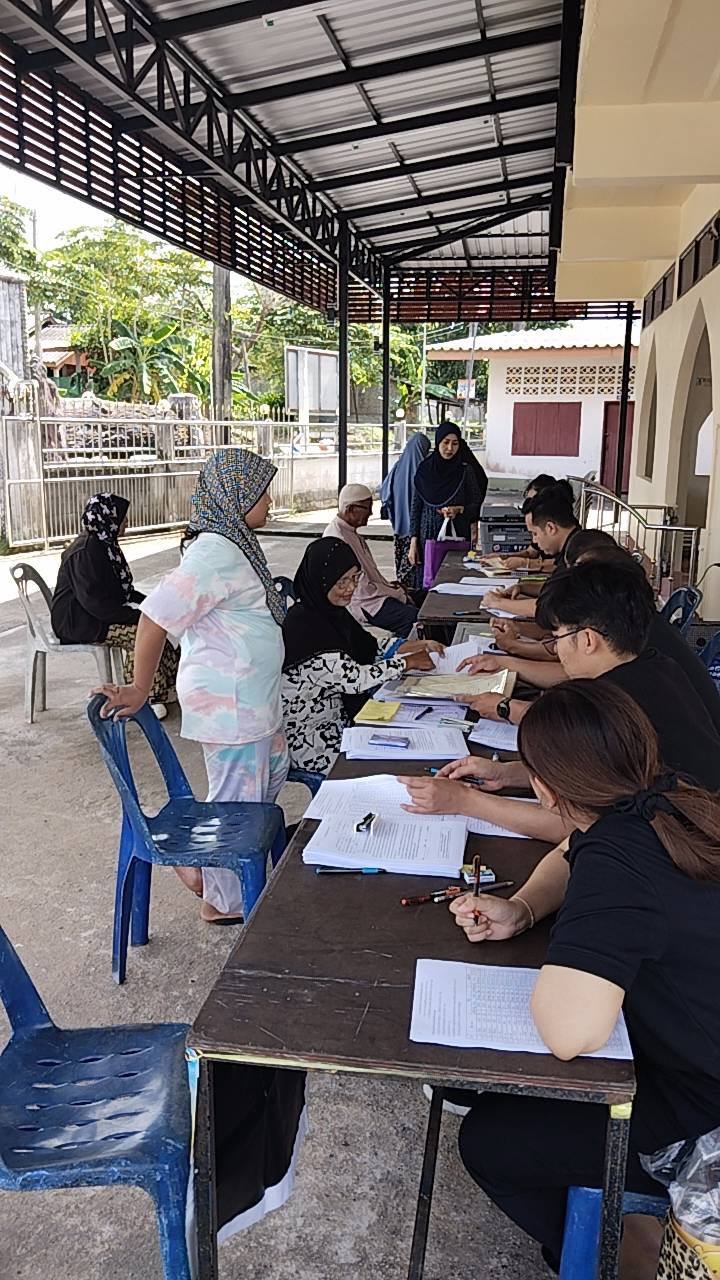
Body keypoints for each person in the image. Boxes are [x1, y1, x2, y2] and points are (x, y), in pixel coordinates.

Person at [451, 680, 720, 1275]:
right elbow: (571, 851)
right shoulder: (669, 799)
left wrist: (572, 951)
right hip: (698, 1056)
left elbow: (570, 1032)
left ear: (544, 788)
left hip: (704, 1113)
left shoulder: (621, 866)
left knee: (490, 1143)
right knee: (483, 1092)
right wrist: (522, 910)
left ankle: (616, 1255)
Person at [96, 449, 287, 925]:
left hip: (254, 702)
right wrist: (141, 687)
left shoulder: (233, 541)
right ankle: (220, 900)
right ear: (234, 496)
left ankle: (210, 867)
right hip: (232, 706)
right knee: (238, 807)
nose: (269, 500)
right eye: (261, 492)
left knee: (272, 776)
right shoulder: (214, 551)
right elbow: (155, 616)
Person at [402, 559, 720, 836]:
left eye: (557, 639)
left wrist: (466, 801)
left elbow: (576, 825)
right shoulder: (657, 666)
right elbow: (599, 771)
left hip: (685, 854)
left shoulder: (607, 707)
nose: (557, 652)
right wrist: (507, 773)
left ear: (587, 640)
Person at [282, 537, 439, 774]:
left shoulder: (332, 614)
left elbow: (368, 647)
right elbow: (355, 679)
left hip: (340, 722)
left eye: (355, 578)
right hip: (313, 741)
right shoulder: (303, 626)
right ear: (321, 581)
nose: (350, 588)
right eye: (341, 581)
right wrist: (406, 662)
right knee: (394, 763)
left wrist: (408, 646)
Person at [51, 492, 178, 715]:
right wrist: (138, 616)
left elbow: (122, 592)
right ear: (107, 518)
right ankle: (146, 698)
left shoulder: (105, 546)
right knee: (141, 633)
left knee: (161, 623)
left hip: (99, 614)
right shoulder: (84, 553)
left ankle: (165, 688)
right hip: (81, 622)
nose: (126, 523)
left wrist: (152, 606)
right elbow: (96, 605)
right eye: (122, 518)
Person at [324, 484, 422, 638]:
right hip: (365, 603)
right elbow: (363, 589)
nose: (370, 512)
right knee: (414, 618)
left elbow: (371, 575)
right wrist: (398, 594)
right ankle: (398, 655)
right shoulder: (338, 539)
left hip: (374, 594)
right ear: (349, 509)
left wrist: (393, 587)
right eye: (366, 507)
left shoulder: (349, 531)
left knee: (425, 597)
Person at [408, 422, 484, 582]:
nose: (450, 448)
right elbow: (416, 507)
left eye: (455, 444)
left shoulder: (465, 470)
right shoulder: (425, 470)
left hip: (457, 535)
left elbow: (476, 503)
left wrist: (460, 510)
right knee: (428, 578)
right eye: (445, 442)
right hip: (427, 536)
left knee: (455, 578)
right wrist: (413, 541)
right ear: (437, 442)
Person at [379, 432, 430, 587]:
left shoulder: (398, 466)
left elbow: (384, 493)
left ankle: (404, 592)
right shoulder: (422, 472)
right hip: (415, 531)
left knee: (403, 566)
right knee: (414, 567)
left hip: (399, 528)